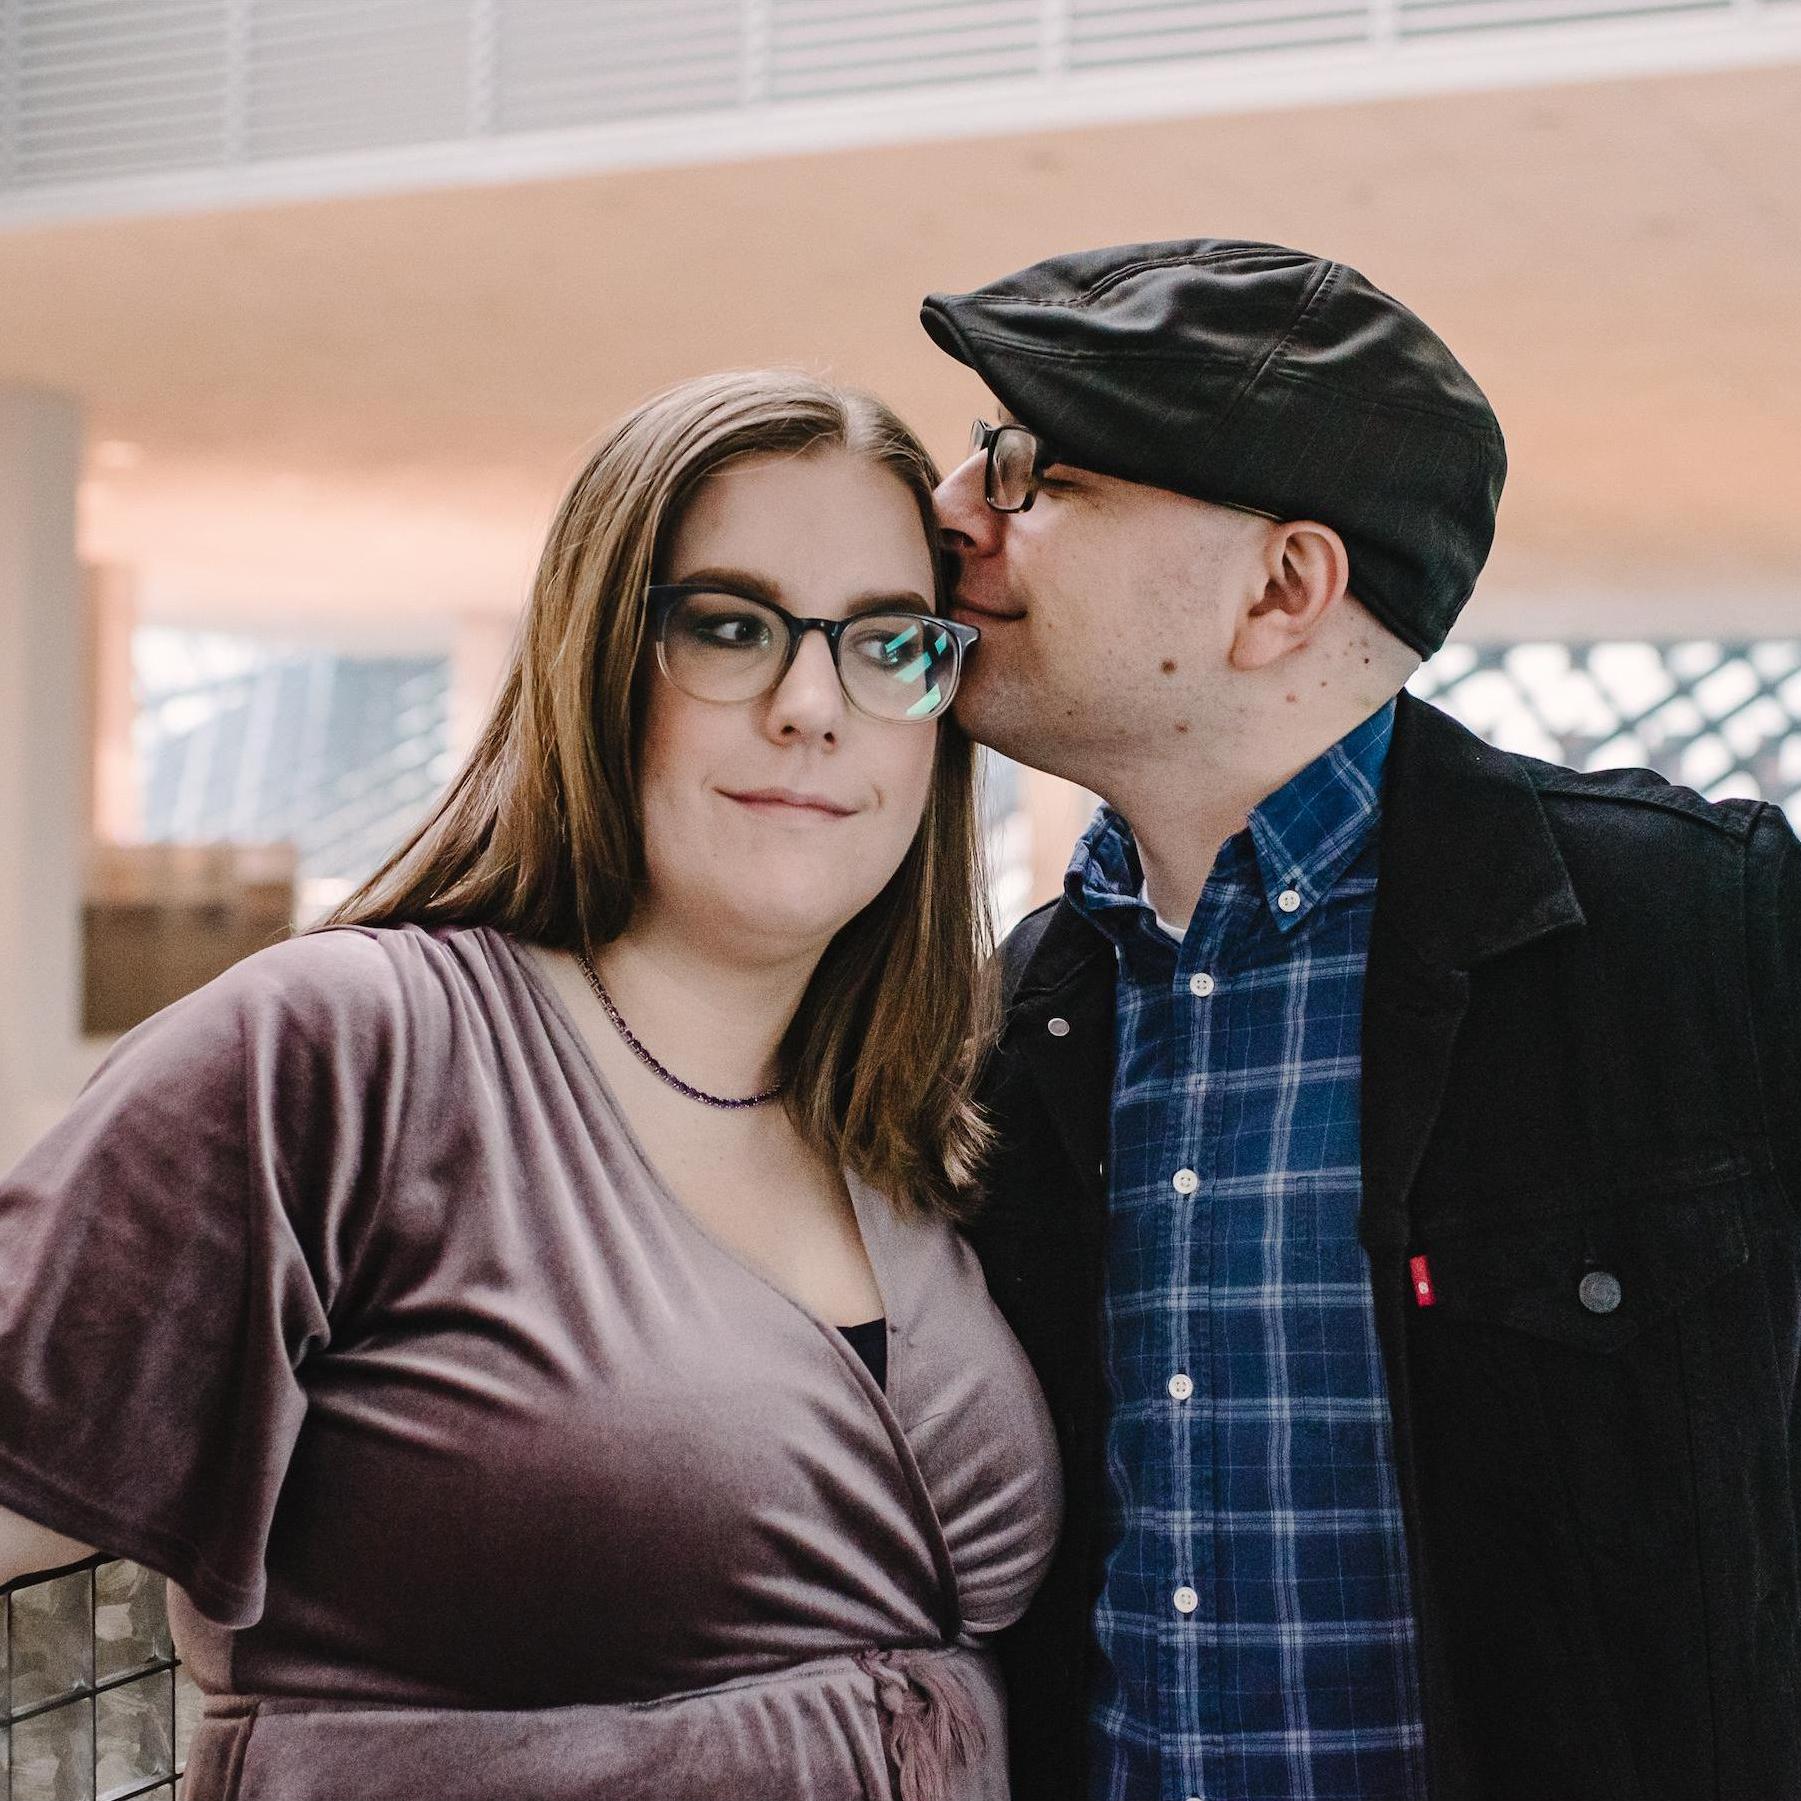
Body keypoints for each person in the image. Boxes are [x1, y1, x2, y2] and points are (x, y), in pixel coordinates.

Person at [0, 369, 1060, 1801]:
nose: (813, 705)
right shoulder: (346, 1049)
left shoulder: (909, 1114)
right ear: (592, 660)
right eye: (730, 627)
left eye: (886, 643)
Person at [920, 239, 1801, 1801]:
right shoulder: (1011, 1018)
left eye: (1028, 475)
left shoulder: (1715, 934)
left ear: (1281, 588)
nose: (951, 515)